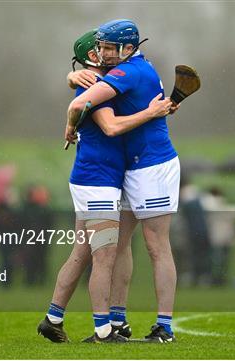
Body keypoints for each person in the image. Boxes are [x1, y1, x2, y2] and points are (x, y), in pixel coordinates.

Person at [38, 28, 172, 343]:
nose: (107, 54)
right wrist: (151, 112)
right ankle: (104, 330)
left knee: (82, 252)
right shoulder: (96, 86)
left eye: (108, 48)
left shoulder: (97, 83)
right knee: (104, 256)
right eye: (100, 50)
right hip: (97, 182)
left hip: (92, 179)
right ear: (90, 58)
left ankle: (53, 318)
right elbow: (111, 127)